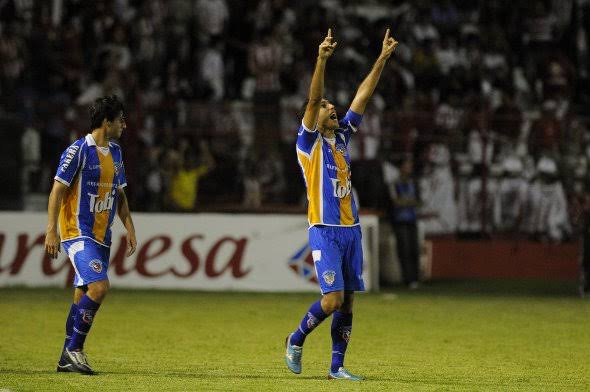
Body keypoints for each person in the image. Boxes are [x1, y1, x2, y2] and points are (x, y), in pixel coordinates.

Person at [285, 28, 397, 380]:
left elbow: (362, 96)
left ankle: (337, 367)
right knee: (331, 300)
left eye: (332, 106)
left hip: (351, 230)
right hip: (324, 231)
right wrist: (321, 59)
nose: (332, 108)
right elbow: (313, 97)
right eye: (326, 107)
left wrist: (382, 58)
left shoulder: (343, 136)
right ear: (314, 116)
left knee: (347, 303)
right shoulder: (309, 143)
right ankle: (296, 338)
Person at [44, 95, 137, 375]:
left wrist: (130, 227)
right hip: (77, 232)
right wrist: (51, 230)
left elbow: (118, 194)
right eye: (120, 118)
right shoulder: (78, 151)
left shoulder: (117, 152)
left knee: (81, 294)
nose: (124, 123)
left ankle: (65, 356)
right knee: (99, 287)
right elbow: (57, 190)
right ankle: (75, 350)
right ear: (106, 122)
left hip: (102, 237)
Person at [387, 158, 421, 288]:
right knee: (404, 250)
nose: (409, 169)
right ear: (400, 168)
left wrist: (405, 202)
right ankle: (408, 280)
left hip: (412, 220)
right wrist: (408, 202)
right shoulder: (394, 184)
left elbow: (418, 201)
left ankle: (416, 278)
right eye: (407, 166)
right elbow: (395, 202)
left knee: (414, 249)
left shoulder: (414, 183)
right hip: (399, 221)